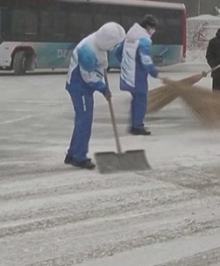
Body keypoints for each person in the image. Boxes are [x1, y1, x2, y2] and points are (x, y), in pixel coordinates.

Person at [64, 22, 127, 170]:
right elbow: (88, 77)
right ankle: (79, 157)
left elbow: (100, 62)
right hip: (79, 87)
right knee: (84, 121)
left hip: (84, 85)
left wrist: (103, 67)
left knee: (82, 120)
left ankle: (72, 153)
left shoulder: (97, 42)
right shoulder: (87, 51)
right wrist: (103, 88)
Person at [115, 15, 161, 136]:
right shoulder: (144, 39)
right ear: (147, 26)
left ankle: (134, 125)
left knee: (136, 100)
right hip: (138, 76)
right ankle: (137, 126)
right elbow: (145, 60)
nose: (154, 31)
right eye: (153, 27)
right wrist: (153, 71)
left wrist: (126, 63)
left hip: (127, 75)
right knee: (141, 101)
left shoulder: (129, 37)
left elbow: (117, 53)